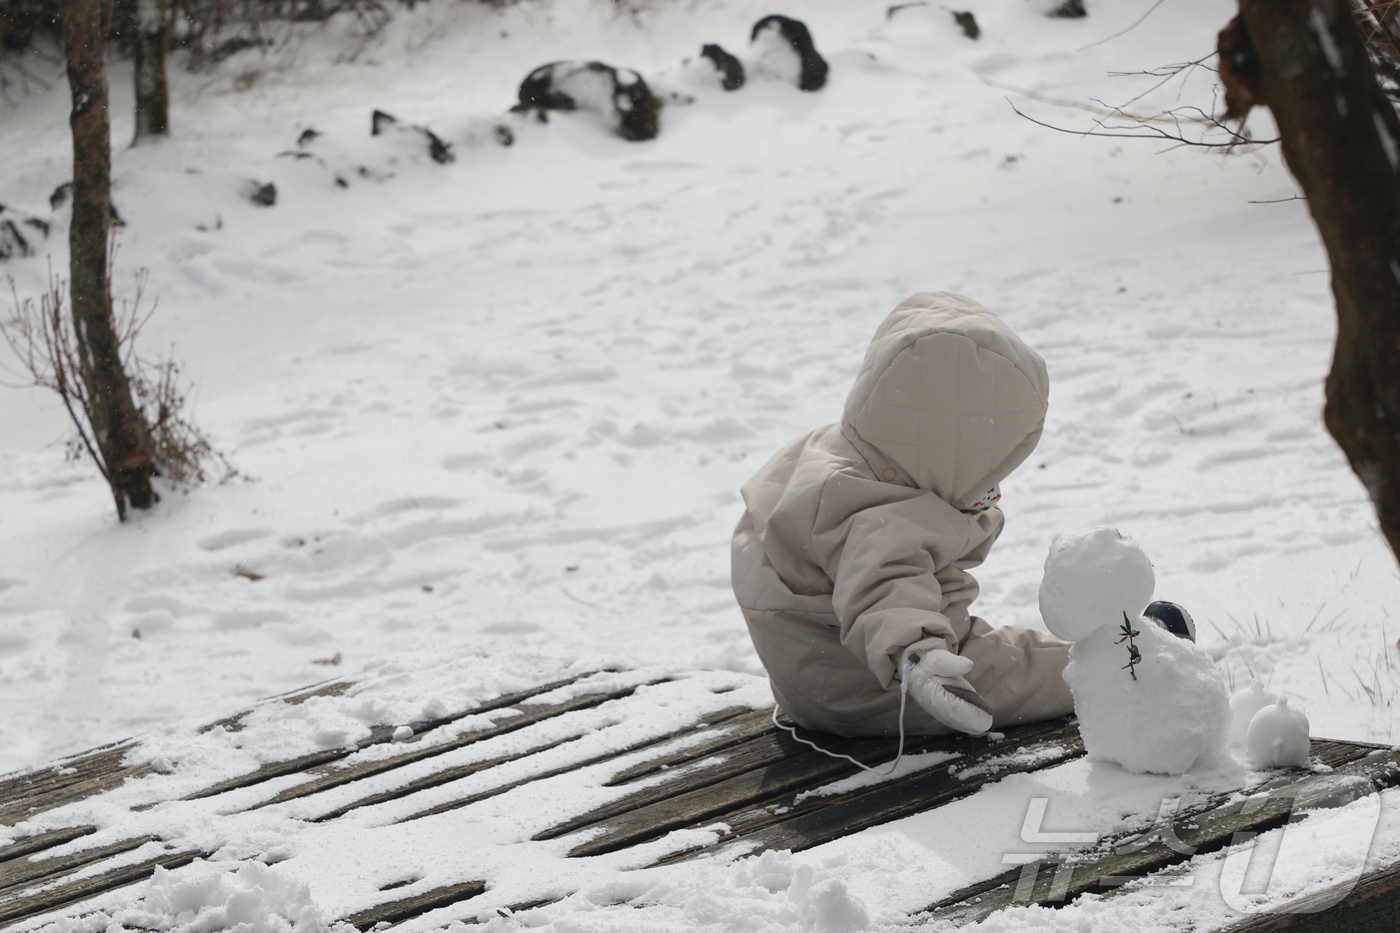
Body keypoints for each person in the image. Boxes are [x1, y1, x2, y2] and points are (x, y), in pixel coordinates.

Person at [730, 292, 1075, 737]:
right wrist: (922, 658)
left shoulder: (835, 457)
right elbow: (882, 588)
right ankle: (1128, 663)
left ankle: (1117, 649)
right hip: (886, 687)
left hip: (815, 668)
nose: (993, 490)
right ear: (952, 447)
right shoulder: (885, 513)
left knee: (1007, 653)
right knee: (1028, 676)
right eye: (988, 471)